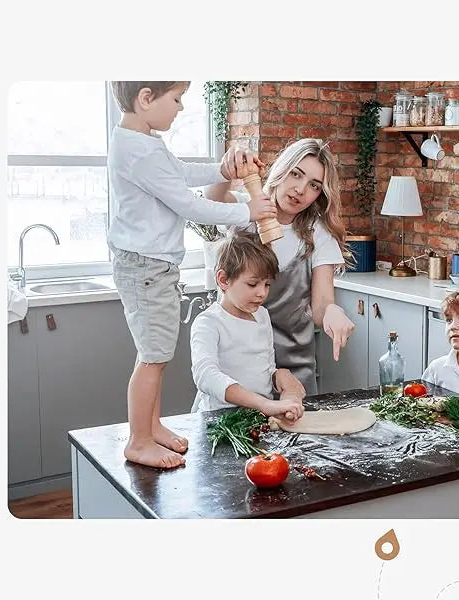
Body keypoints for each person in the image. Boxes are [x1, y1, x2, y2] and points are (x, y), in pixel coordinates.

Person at [108, 81, 275, 469]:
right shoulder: (139, 151)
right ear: (146, 98)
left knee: (157, 355)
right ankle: (138, 441)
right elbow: (188, 206)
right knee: (153, 357)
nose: (181, 108)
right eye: (177, 99)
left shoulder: (142, 142)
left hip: (152, 265)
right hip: (147, 266)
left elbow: (179, 172)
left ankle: (151, 427)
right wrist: (248, 211)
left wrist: (220, 169)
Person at [205, 138, 355, 396]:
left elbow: (321, 305)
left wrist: (332, 312)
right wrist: (228, 167)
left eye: (314, 186)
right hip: (238, 366)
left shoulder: (318, 234)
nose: (300, 189)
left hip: (295, 368)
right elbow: (212, 197)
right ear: (282, 169)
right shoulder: (245, 212)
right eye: (296, 174)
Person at [190, 230, 306, 420]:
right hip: (221, 420)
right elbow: (206, 376)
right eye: (253, 284)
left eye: (267, 284)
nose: (262, 293)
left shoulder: (262, 315)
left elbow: (264, 367)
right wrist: (265, 404)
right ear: (223, 280)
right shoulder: (209, 323)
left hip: (257, 418)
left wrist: (278, 376)